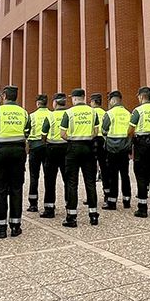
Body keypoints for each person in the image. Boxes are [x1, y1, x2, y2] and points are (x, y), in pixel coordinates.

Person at [0, 86, 30, 239]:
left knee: (0, 189)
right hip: (18, 151)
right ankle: (16, 226)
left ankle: (0, 227)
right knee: (17, 188)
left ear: (4, 96)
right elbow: (26, 133)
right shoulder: (24, 112)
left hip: (0, 151)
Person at [58, 88, 99, 227]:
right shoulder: (92, 112)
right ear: (84, 97)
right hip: (88, 147)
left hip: (73, 148)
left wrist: (73, 138)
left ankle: (72, 217)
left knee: (71, 182)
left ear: (74, 98)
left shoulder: (68, 113)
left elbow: (62, 134)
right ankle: (93, 215)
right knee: (90, 182)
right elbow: (96, 132)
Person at [128, 87, 150, 218]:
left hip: (142, 145)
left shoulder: (138, 111)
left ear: (141, 97)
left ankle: (142, 208)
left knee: (141, 175)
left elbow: (130, 130)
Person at [100, 90, 132, 210]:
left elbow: (103, 130)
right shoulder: (128, 113)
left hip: (112, 149)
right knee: (125, 175)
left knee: (113, 176)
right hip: (124, 148)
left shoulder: (109, 113)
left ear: (113, 100)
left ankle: (112, 202)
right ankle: (127, 201)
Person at [41, 92, 68, 219]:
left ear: (55, 103)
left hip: (52, 149)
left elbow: (43, 133)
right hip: (67, 148)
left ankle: (49, 208)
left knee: (50, 180)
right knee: (68, 179)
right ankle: (70, 206)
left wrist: (45, 142)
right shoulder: (69, 114)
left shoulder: (50, 116)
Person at [26, 94, 51, 214]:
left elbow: (26, 132)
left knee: (34, 176)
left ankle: (33, 204)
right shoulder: (51, 115)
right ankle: (49, 204)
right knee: (49, 177)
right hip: (47, 147)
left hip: (35, 147)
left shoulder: (32, 116)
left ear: (37, 103)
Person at [89, 92, 107, 192]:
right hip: (103, 141)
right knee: (104, 168)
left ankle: (92, 195)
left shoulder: (90, 113)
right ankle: (107, 193)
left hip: (93, 140)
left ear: (93, 102)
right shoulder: (105, 113)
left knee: (91, 169)